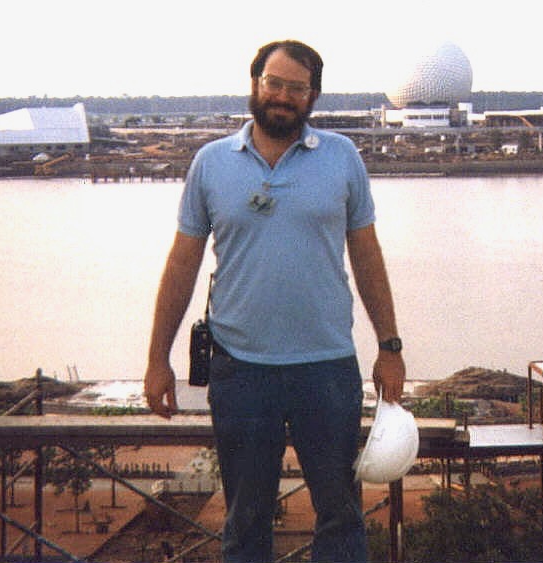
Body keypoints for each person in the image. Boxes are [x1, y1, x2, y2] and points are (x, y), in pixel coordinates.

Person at [144, 39, 406, 563]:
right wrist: (157, 360)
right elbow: (181, 266)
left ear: (313, 97)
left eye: (296, 87)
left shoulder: (343, 157)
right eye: (274, 83)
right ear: (255, 84)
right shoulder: (211, 163)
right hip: (240, 373)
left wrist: (390, 346)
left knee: (340, 514)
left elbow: (368, 257)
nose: (283, 96)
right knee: (245, 520)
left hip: (326, 369)